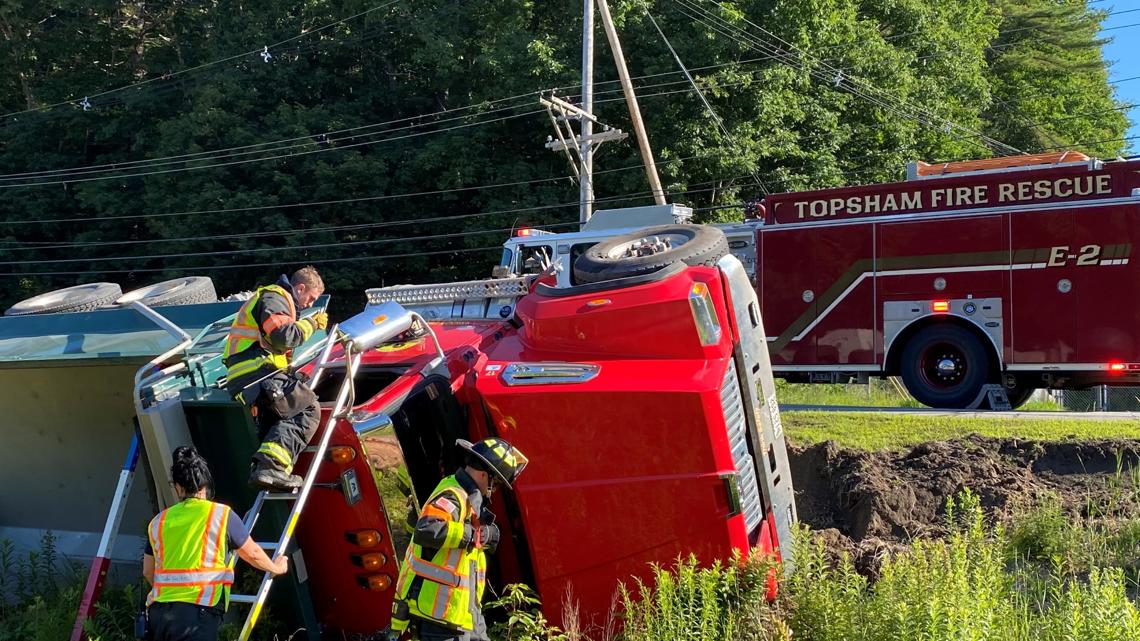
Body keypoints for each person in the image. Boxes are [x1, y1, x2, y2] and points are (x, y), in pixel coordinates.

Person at [389, 438, 530, 641]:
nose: (495, 490)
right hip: (440, 616)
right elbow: (427, 529)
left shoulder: (469, 499)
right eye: (497, 483)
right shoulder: (453, 495)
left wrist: (490, 534)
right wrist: (471, 535)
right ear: (484, 475)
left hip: (465, 614)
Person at [142, 446, 288, 641]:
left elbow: (148, 571)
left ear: (177, 486)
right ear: (205, 485)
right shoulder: (221, 515)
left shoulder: (159, 521)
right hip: (196, 616)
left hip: (159, 616)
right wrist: (275, 568)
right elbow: (252, 553)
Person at [222, 265, 329, 490]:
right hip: (255, 372)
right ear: (300, 288)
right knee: (306, 408)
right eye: (311, 298)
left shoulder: (278, 302)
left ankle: (265, 470)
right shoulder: (275, 297)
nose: (310, 304)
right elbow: (283, 336)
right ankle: (271, 467)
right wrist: (312, 323)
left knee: (282, 415)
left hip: (253, 374)